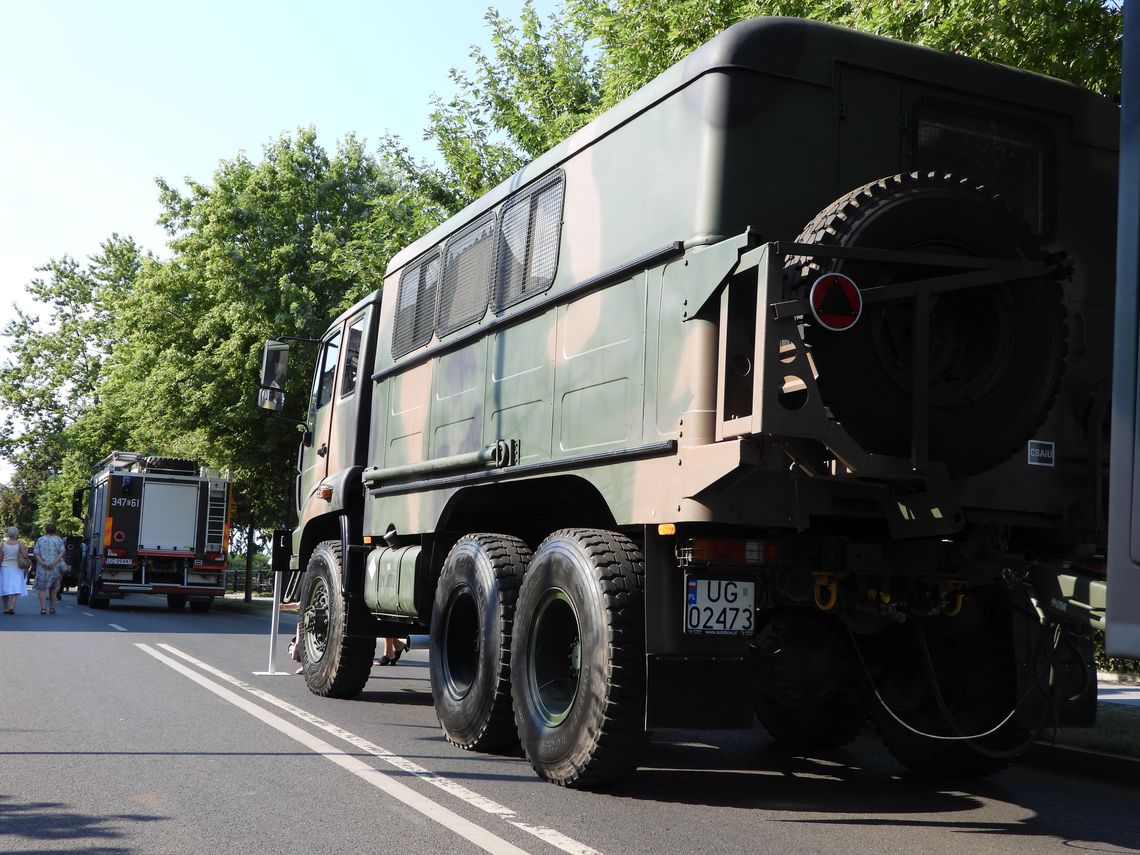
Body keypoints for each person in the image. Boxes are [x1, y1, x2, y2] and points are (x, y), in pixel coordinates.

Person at [33, 522, 66, 615]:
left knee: (42, 589)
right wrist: (54, 563)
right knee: (54, 589)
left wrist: (43, 563)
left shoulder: (40, 540)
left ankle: (43, 608)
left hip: (42, 568)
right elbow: (62, 553)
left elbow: (36, 553)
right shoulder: (59, 540)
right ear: (55, 530)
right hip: (55, 568)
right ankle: (52, 608)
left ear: (45, 530)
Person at [0, 526, 30, 615]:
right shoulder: (19, 544)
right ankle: (12, 606)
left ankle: (5, 608)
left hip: (5, 568)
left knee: (4, 588)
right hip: (16, 568)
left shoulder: (3, 544)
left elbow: (0, 558)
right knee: (15, 588)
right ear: (17, 534)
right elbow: (25, 556)